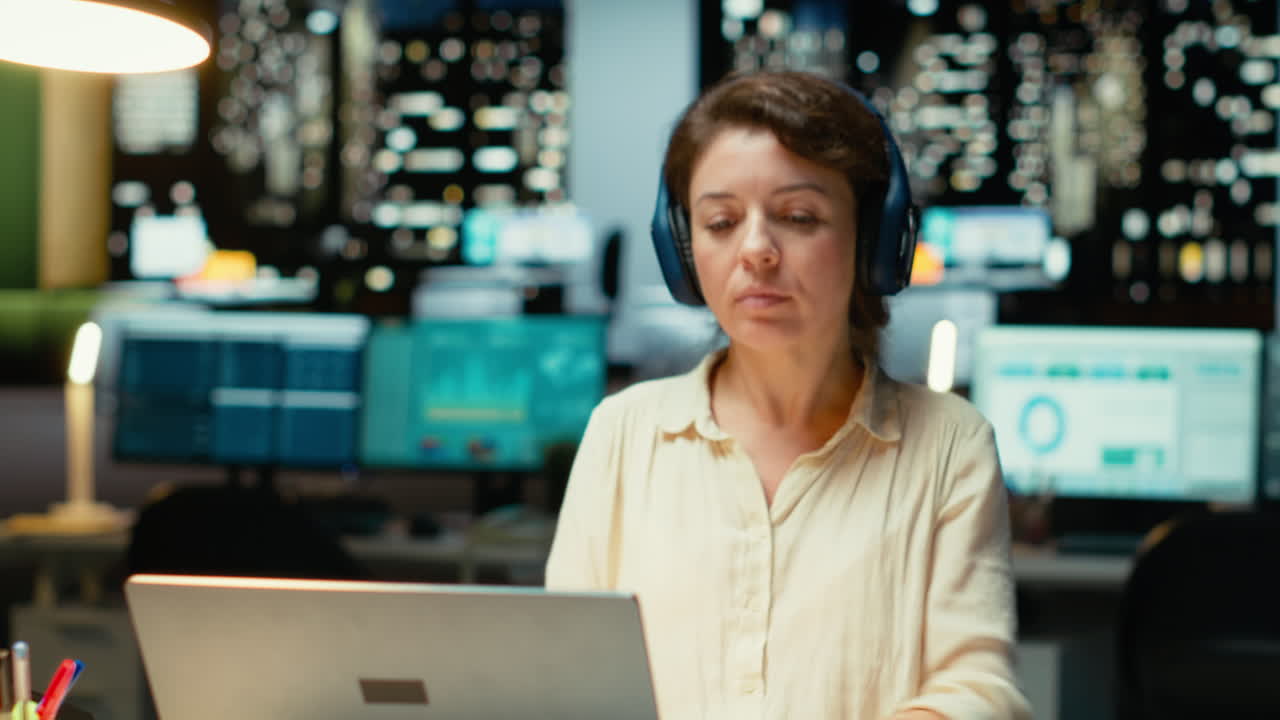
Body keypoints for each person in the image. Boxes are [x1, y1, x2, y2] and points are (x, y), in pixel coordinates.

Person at [545, 70, 1030, 720]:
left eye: (798, 216)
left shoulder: (949, 445)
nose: (755, 251)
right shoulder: (623, 432)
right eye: (719, 221)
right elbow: (562, 681)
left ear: (873, 241)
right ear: (683, 248)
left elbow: (978, 693)